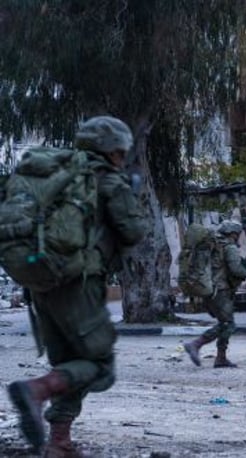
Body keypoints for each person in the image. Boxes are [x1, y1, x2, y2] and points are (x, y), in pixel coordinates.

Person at [7, 116, 147, 456]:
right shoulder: (107, 179)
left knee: (70, 364)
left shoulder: (58, 174)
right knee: (99, 366)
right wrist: (131, 193)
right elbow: (134, 230)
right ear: (113, 149)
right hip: (78, 282)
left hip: (42, 280)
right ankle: (35, 391)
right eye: (121, 151)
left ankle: (60, 443)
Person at [183, 220, 246, 368]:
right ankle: (196, 344)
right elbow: (236, 269)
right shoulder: (229, 247)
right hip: (220, 291)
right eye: (238, 234)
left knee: (224, 322)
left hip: (210, 289)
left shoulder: (216, 245)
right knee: (228, 324)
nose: (238, 236)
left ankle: (221, 358)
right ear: (233, 233)